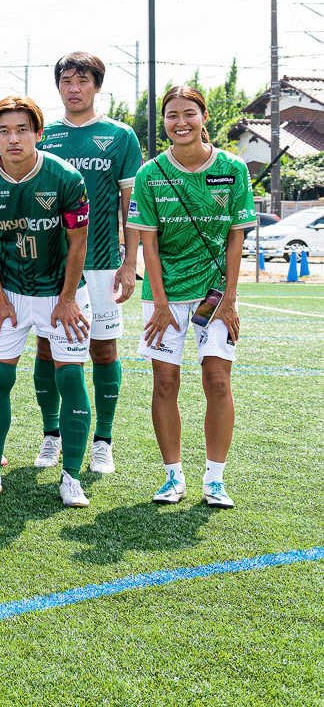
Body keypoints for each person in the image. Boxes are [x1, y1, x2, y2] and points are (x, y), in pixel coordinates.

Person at [0, 96, 94, 508]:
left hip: (62, 292)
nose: (13, 138)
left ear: (38, 133)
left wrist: (68, 299)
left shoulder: (65, 177)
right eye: (4, 131)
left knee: (70, 379)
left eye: (22, 129)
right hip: (12, 293)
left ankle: (71, 477)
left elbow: (78, 243)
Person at [129, 86, 253, 509]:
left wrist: (230, 299)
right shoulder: (150, 174)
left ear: (204, 117)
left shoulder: (233, 169)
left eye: (188, 113)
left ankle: (215, 480)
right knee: (165, 382)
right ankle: (173, 476)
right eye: (171, 115)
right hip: (163, 296)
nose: (180, 122)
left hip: (214, 295)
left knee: (217, 380)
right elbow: (148, 244)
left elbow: (235, 239)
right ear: (163, 122)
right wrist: (161, 304)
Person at [35, 53, 142, 474]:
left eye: (82, 80)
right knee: (47, 349)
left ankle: (103, 440)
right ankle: (51, 435)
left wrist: (129, 262)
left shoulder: (120, 136)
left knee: (103, 349)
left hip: (101, 263)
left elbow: (131, 205)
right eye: (66, 80)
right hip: (51, 266)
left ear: (97, 86)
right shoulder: (43, 134)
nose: (74, 88)